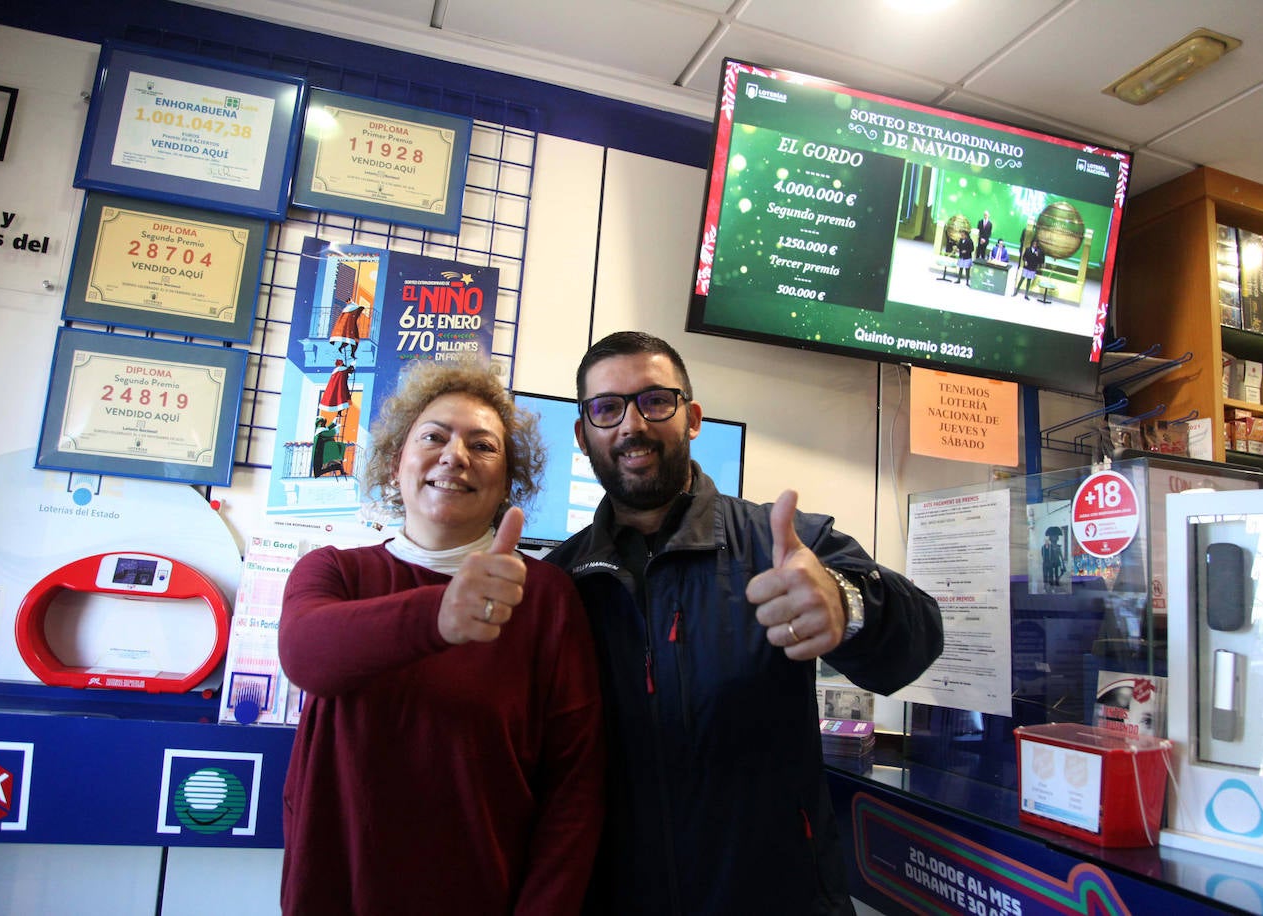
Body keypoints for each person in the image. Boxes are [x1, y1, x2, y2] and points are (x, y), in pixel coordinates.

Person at [547, 331, 944, 916]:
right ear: (584, 435)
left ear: (692, 419)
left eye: (654, 400)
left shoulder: (782, 544)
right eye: (607, 408)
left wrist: (847, 605)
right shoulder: (559, 584)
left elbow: (918, 640)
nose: (632, 424)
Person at [278, 358, 605, 915]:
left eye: (483, 446)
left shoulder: (545, 596)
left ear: (507, 484)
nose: (455, 455)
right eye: (434, 437)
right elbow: (306, 654)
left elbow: (574, 787)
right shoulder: (335, 571)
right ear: (394, 464)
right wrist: (438, 616)